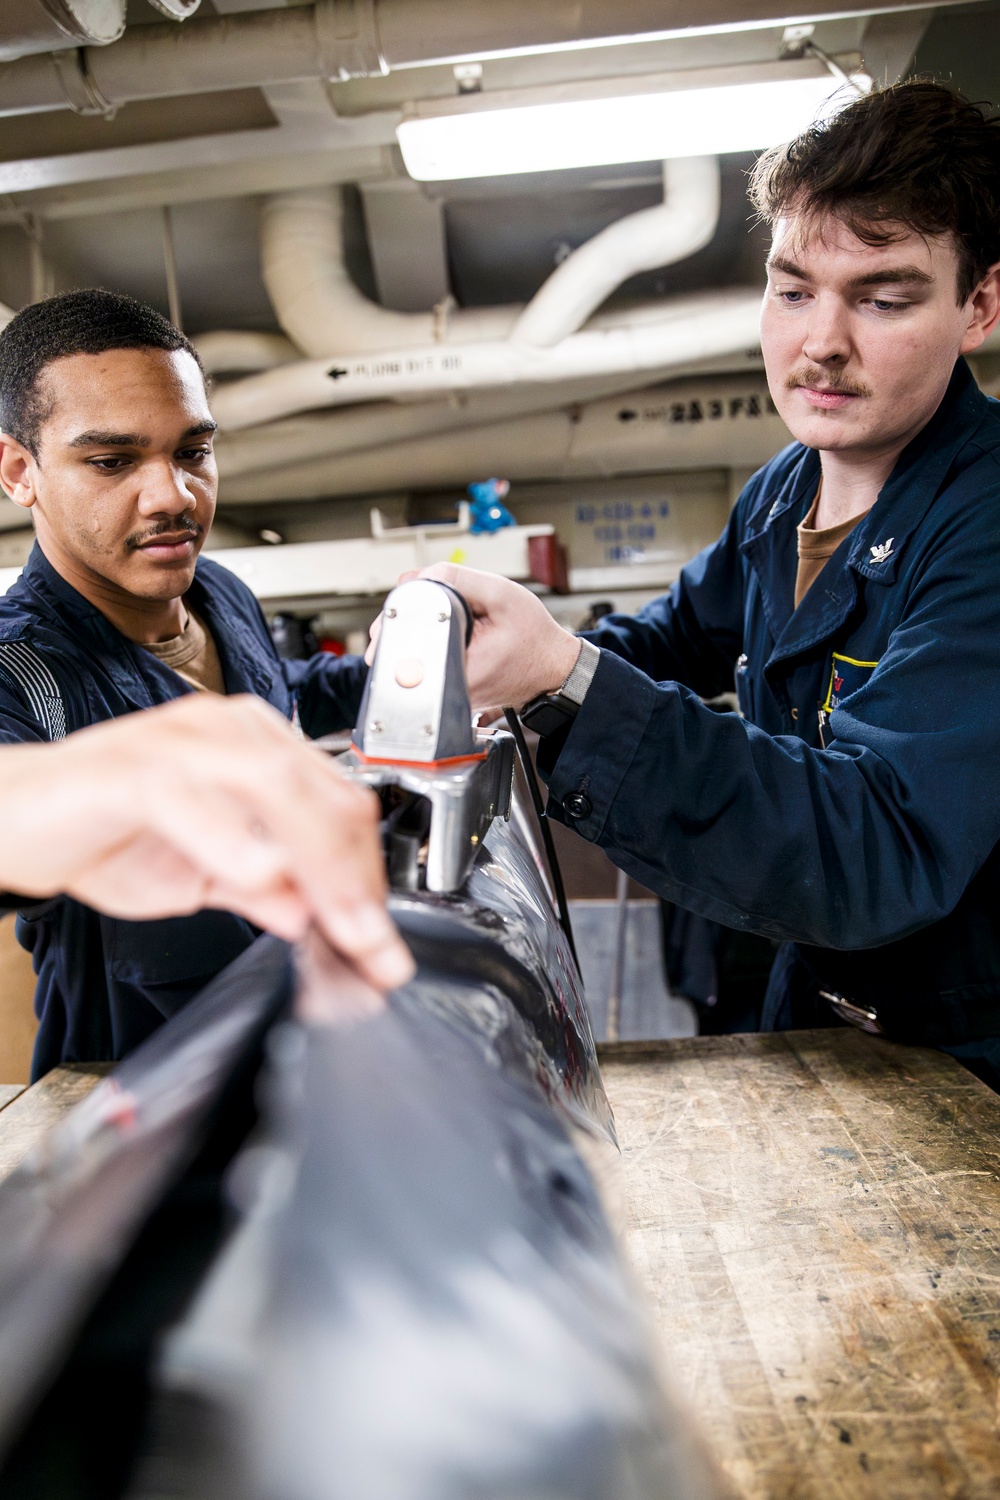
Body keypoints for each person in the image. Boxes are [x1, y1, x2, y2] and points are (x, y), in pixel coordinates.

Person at [407, 82, 1000, 1086]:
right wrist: (502, 659)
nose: (820, 342)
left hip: (966, 1058)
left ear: (978, 306)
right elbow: (667, 636)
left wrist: (565, 674)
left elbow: (880, 845)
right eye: (792, 288)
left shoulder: (981, 522)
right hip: (818, 1018)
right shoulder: (781, 495)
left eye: (884, 298)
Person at [0, 288, 394, 1076]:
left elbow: (282, 695)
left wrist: (408, 662)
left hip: (305, 1068)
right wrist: (110, 781)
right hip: (140, 1119)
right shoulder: (21, 668)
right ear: (19, 472)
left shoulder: (219, 596)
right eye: (111, 461)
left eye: (192, 451)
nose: (172, 496)